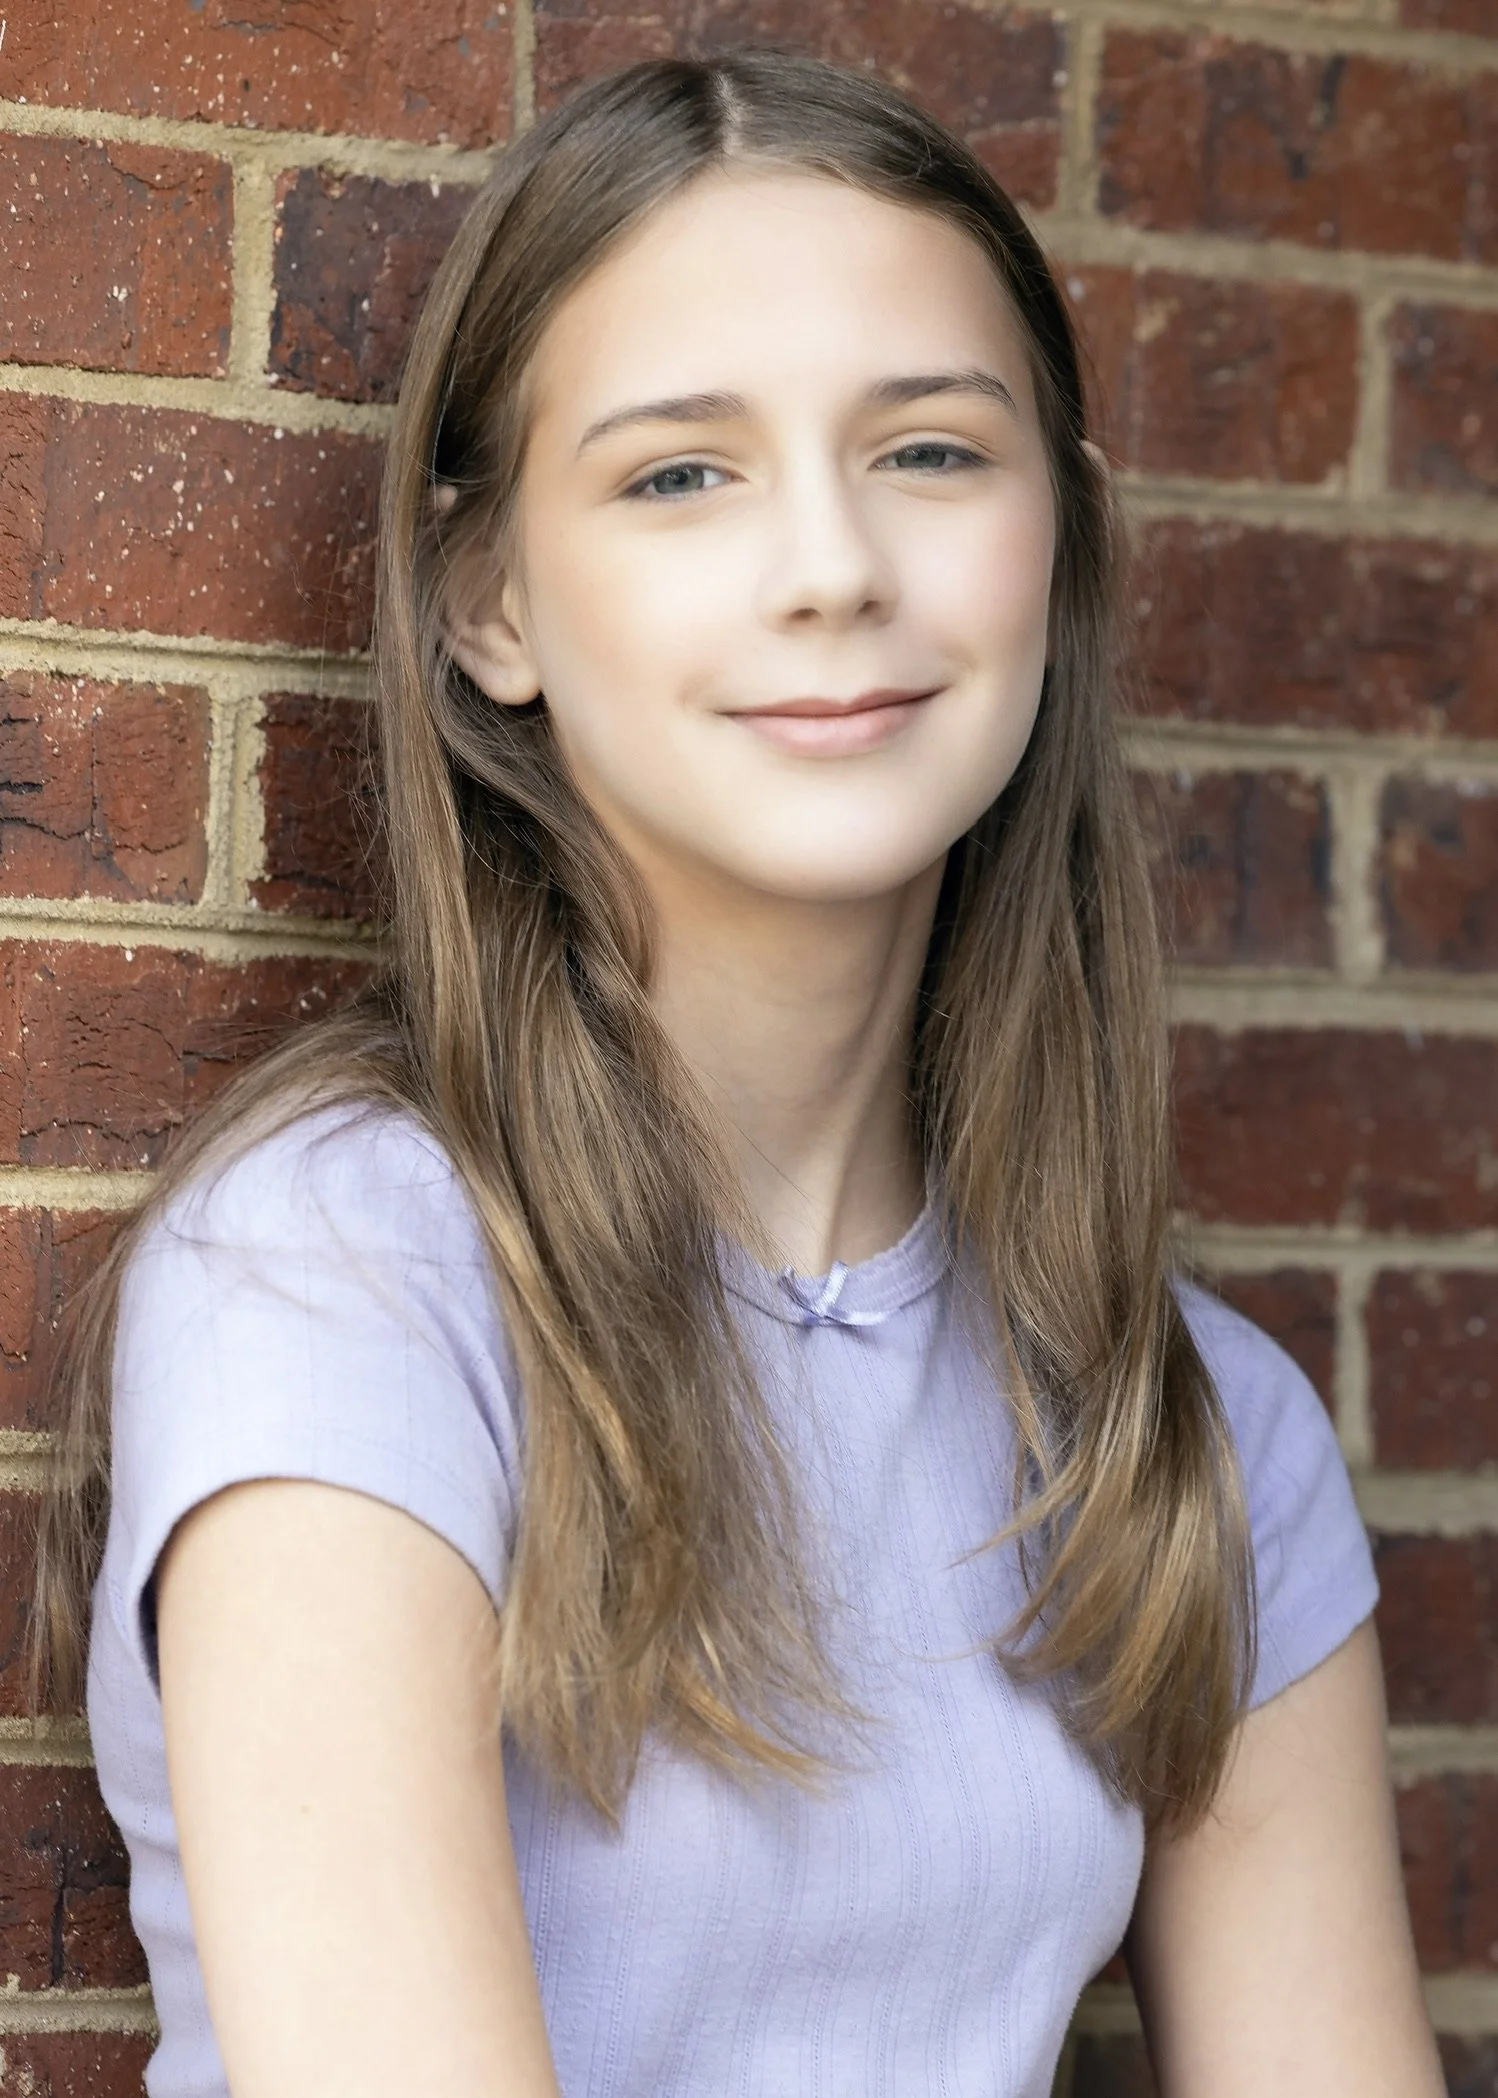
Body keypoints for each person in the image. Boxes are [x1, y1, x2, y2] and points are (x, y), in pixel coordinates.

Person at [30, 49, 1442, 2098]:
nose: (828, 566)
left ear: (1059, 536)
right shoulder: (342, 1286)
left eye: (931, 454)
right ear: (486, 598)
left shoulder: (1197, 1429)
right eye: (678, 471)